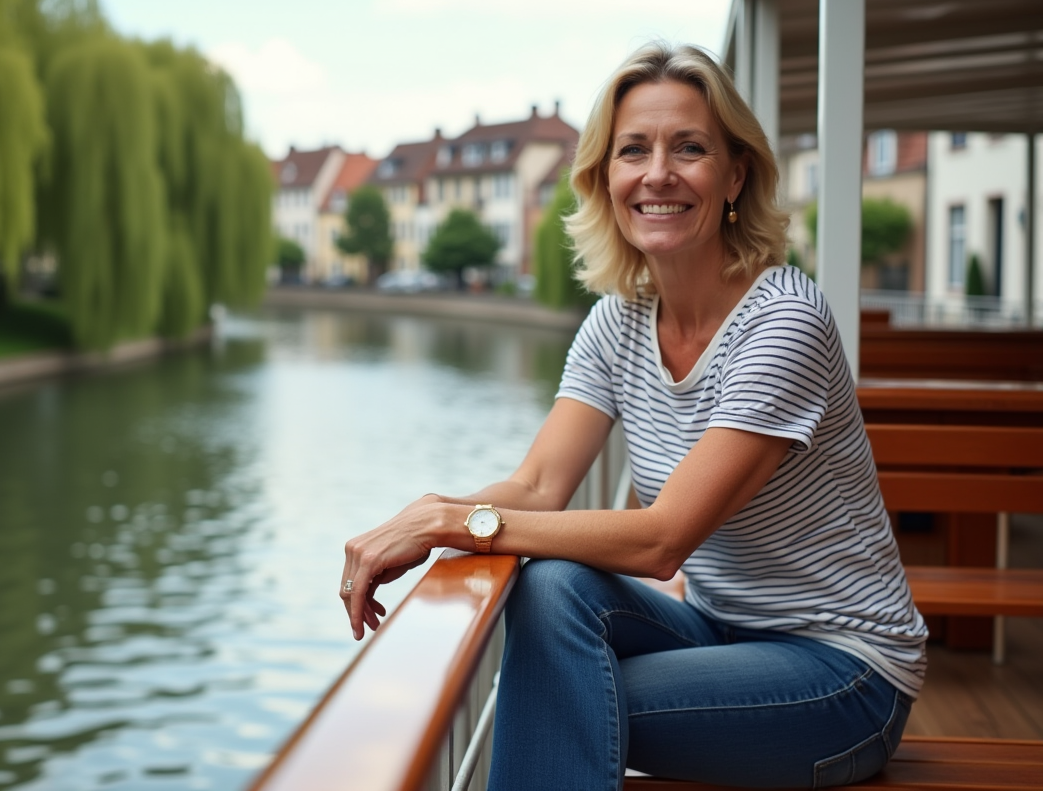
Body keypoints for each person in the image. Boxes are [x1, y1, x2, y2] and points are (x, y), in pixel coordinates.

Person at [339, 42, 927, 789]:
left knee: (560, 698)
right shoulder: (617, 324)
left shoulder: (786, 320)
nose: (658, 174)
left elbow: (662, 540)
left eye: (689, 148)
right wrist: (423, 513)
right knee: (550, 584)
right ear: (605, 178)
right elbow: (540, 485)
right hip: (719, 630)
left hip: (845, 675)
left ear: (735, 174)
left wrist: (451, 526)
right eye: (633, 151)